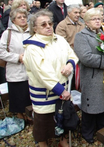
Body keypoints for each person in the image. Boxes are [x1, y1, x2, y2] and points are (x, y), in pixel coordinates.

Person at [23, 10, 78, 147]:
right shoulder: (33, 47)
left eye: (50, 23)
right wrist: (60, 90)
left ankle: (62, 140)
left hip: (62, 88)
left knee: (62, 116)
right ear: (34, 28)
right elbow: (43, 73)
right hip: (46, 93)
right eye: (43, 24)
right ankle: (43, 143)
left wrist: (70, 65)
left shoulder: (59, 39)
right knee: (44, 121)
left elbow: (72, 54)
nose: (48, 26)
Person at [74, 8, 104, 144]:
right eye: (94, 19)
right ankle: (87, 132)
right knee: (90, 105)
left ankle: (101, 129)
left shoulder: (103, 33)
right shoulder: (81, 36)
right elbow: (85, 57)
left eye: (99, 18)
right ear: (86, 22)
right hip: (91, 77)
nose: (98, 21)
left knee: (102, 104)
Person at [0, 8, 31, 121]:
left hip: (30, 68)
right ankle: (19, 114)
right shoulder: (7, 33)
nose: (22, 19)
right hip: (15, 68)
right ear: (13, 20)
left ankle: (28, 113)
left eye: (24, 17)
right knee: (17, 93)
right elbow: (2, 52)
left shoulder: (31, 31)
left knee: (28, 92)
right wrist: (18, 58)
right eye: (19, 17)